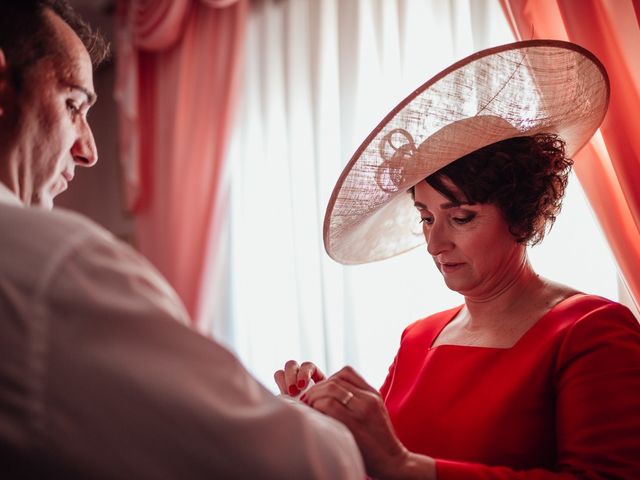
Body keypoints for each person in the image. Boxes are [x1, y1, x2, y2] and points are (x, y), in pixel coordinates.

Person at [0, 1, 365, 478]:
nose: (88, 150)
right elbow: (305, 465)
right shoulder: (55, 269)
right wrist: (324, 426)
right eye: (73, 105)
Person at [275, 41, 640, 479]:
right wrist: (333, 422)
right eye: (426, 218)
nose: (434, 243)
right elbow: (383, 465)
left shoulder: (590, 330)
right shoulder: (418, 338)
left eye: (461, 217)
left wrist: (402, 464)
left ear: (521, 212)